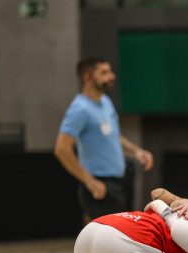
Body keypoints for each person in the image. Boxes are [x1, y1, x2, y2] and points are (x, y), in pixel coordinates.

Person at [55, 58, 154, 224]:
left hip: (117, 183)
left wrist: (137, 151)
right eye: (104, 72)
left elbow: (113, 136)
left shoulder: (105, 102)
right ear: (87, 77)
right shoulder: (79, 109)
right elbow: (61, 148)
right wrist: (89, 180)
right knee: (104, 241)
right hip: (99, 185)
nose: (111, 76)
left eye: (110, 71)